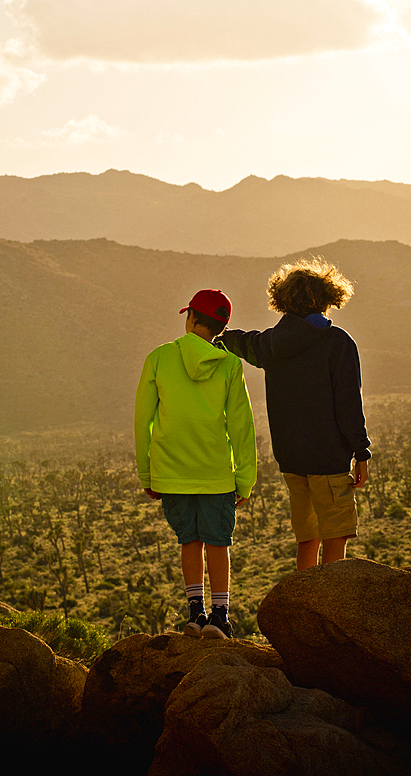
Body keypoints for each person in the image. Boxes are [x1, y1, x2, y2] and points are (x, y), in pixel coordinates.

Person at [219, 258, 370, 570]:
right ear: (327, 297)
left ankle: (304, 604)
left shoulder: (270, 344)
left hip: (291, 460)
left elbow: (242, 341)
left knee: (307, 537)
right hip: (328, 460)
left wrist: (216, 335)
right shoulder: (337, 342)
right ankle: (328, 604)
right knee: (335, 536)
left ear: (282, 298)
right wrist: (361, 451)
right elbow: (348, 404)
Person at [135, 289, 256, 638]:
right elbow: (241, 424)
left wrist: (147, 472)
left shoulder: (158, 358)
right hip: (216, 473)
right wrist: (245, 477)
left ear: (191, 318)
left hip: (171, 473)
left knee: (190, 542)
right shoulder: (230, 365)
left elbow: (142, 419)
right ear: (219, 327)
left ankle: (194, 614)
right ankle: (220, 617)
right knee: (219, 542)